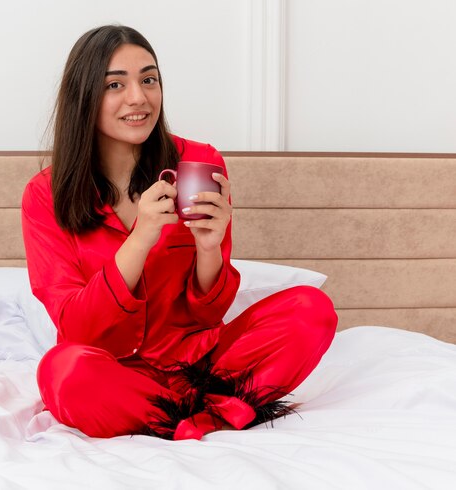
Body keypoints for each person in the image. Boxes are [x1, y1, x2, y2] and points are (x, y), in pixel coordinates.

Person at [21, 25, 337, 440]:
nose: (139, 97)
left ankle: (184, 413)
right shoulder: (45, 195)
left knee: (310, 308)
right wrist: (140, 238)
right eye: (115, 84)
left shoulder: (199, 163)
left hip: (202, 368)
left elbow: (207, 314)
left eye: (149, 79)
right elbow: (78, 329)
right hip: (115, 372)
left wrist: (209, 248)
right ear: (84, 97)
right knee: (62, 371)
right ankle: (206, 414)